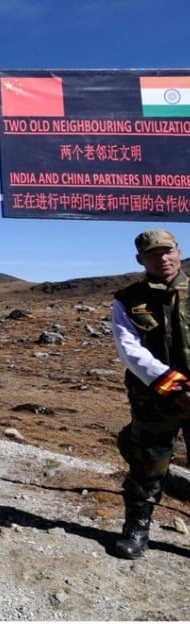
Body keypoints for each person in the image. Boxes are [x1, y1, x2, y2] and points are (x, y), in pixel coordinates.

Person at [111, 228, 190, 558]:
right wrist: (175, 386)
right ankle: (137, 526)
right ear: (140, 260)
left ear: (179, 250)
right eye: (154, 254)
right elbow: (129, 350)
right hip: (154, 398)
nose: (163, 258)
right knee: (148, 463)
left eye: (168, 251)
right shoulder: (128, 299)